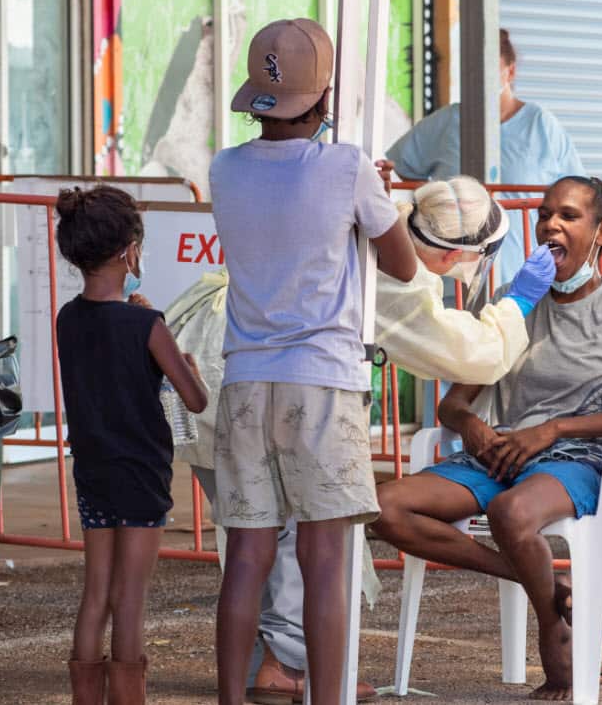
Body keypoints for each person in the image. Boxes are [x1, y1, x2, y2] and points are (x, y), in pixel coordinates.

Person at [167, 174, 556, 703]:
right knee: (290, 535)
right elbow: (472, 354)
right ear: (452, 257)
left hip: (218, 366)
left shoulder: (381, 210)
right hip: (268, 386)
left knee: (252, 536)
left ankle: (262, 668)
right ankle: (291, 665)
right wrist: (518, 304)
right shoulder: (396, 278)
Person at [372, 176, 602, 701]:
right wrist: (471, 425)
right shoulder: (519, 302)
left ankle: (550, 627)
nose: (550, 225)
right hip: (503, 455)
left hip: (577, 459)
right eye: (544, 215)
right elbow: (453, 399)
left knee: (511, 514)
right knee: (381, 506)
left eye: (569, 216)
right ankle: (549, 589)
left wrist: (554, 429)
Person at [209, 18, 418, 705]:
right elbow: (402, 262)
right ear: (324, 97)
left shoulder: (224, 168)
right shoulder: (347, 167)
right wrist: (371, 195)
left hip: (244, 381)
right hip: (322, 383)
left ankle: (230, 698)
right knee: (324, 561)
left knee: (246, 557)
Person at [56, 185, 209, 705]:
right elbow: (195, 400)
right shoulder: (147, 323)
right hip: (142, 474)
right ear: (130, 252)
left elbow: (106, 356)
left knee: (96, 591)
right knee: (131, 599)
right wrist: (182, 357)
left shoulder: (67, 317)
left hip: (93, 471)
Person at [386, 28, 587, 284]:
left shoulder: (541, 126)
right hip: (452, 283)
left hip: (522, 284)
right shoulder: (446, 123)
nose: (480, 77)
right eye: (472, 69)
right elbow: (402, 168)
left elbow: (578, 198)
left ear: (510, 71)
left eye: (490, 68)